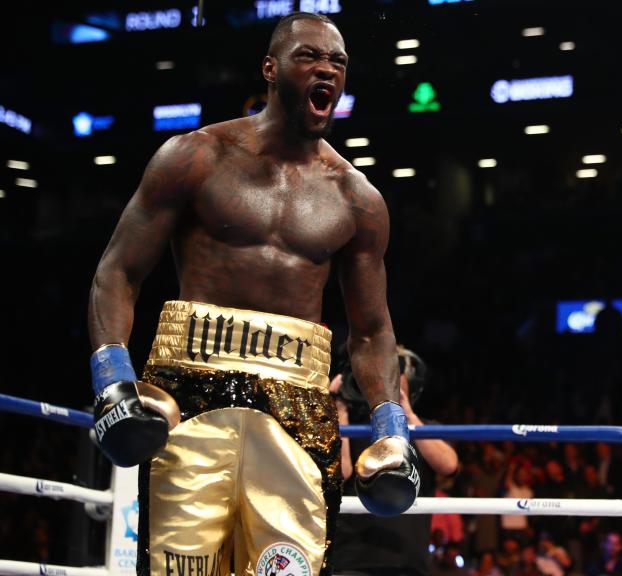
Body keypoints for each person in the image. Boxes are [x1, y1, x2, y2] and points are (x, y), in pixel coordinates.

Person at [86, 12, 419, 576]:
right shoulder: (195, 157)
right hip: (189, 391)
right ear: (270, 68)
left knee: (289, 566)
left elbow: (372, 330)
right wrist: (112, 381)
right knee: (179, 567)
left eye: (338, 62)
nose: (327, 71)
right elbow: (116, 272)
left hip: (296, 405)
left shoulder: (357, 198)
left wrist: (392, 431)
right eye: (309, 56)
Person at [331, 347, 459, 576]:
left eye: (391, 373)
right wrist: (339, 410)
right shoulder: (352, 427)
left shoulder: (424, 428)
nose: (382, 381)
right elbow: (342, 472)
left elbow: (448, 464)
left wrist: (404, 412)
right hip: (351, 558)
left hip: (407, 561)